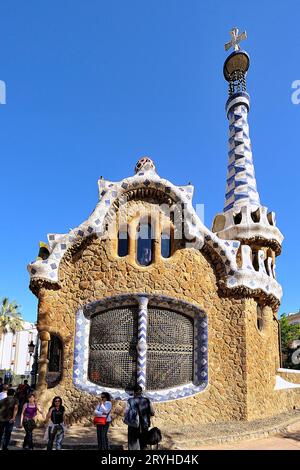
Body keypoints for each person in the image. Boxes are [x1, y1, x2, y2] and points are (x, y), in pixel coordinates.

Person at [124, 384, 155, 450]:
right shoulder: (147, 400)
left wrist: (126, 421)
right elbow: (152, 412)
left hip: (133, 425)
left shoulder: (130, 401)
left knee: (133, 443)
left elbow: (126, 413)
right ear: (141, 392)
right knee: (143, 443)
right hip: (144, 424)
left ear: (134, 392)